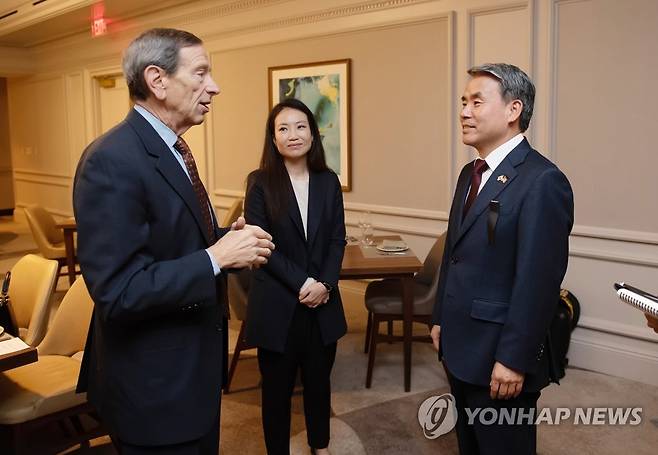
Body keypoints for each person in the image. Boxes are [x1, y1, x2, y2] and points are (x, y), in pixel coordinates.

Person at [74, 28, 275, 454]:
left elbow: (172, 241)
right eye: (201, 73)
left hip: (190, 376)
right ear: (157, 80)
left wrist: (226, 242)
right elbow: (119, 291)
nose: (214, 87)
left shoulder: (172, 148)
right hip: (153, 389)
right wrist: (215, 258)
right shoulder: (111, 160)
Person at [430, 63, 574, 455]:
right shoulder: (469, 173)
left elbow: (538, 282)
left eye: (477, 101)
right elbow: (456, 254)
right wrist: (441, 316)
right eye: (463, 101)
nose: (464, 111)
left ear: (513, 110)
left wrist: (513, 358)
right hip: (460, 346)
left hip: (500, 357)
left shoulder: (542, 181)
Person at [244, 98, 347, 455]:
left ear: (313, 134)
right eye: (283, 129)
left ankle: (320, 444)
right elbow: (261, 243)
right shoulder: (259, 183)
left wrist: (325, 285)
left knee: (320, 385)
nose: (293, 135)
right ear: (273, 140)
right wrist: (304, 283)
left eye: (300, 126)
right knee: (276, 391)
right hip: (277, 304)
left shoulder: (328, 181)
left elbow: (337, 239)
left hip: (322, 304)